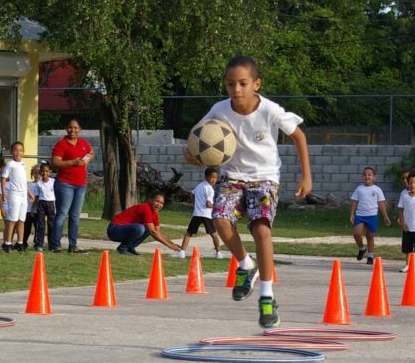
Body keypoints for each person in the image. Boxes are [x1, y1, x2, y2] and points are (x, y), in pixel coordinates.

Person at [185, 55, 311, 328]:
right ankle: (245, 264)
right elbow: (197, 137)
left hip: (264, 178)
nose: (237, 90)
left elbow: (298, 136)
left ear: (256, 84)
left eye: (243, 83)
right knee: (219, 220)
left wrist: (306, 176)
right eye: (231, 84)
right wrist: (194, 156)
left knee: (261, 229)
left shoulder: (269, 110)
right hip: (232, 176)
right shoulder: (219, 110)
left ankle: (267, 297)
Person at [49, 119, 93, 253]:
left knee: (75, 216)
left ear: (80, 130)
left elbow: (91, 153)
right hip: (65, 184)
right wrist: (73, 162)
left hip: (80, 185)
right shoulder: (61, 144)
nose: (72, 130)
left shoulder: (84, 143)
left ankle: (73, 246)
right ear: (66, 129)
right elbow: (55, 163)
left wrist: (86, 162)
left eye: (75, 128)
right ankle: (55, 245)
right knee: (62, 214)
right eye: (70, 127)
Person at [108, 192, 183, 256]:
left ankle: (129, 248)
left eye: (161, 203)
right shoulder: (146, 208)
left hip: (123, 230)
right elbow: (153, 232)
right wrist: (169, 246)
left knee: (147, 228)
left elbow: (158, 232)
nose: (159, 204)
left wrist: (172, 244)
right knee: (141, 228)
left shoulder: (155, 213)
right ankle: (122, 248)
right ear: (150, 200)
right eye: (157, 201)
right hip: (114, 230)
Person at [349, 166, 390, 265]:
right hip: (360, 215)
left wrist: (385, 216)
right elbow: (355, 201)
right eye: (365, 175)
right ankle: (362, 248)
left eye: (369, 175)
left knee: (370, 236)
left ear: (374, 177)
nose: (367, 177)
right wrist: (352, 213)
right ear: (362, 177)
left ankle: (370, 256)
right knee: (356, 233)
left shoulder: (377, 189)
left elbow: (381, 203)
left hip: (372, 216)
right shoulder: (359, 189)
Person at [180, 167, 223, 260]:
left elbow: (191, 194)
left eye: (216, 178)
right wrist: (216, 207)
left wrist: (195, 204)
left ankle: (182, 252)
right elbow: (208, 204)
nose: (214, 180)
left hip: (197, 214)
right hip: (206, 214)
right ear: (206, 177)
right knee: (214, 234)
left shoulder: (199, 185)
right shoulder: (210, 189)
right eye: (212, 177)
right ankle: (218, 253)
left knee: (189, 233)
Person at [1, 142, 29, 252]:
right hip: (14, 194)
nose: (18, 153)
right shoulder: (10, 164)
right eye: (16, 150)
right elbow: (3, 178)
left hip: (23, 195)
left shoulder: (23, 164)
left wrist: (29, 192)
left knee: (21, 220)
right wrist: (4, 193)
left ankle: (20, 242)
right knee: (12, 219)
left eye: (20, 150)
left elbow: (23, 181)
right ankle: (7, 243)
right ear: (12, 152)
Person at [32, 162, 56, 250]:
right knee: (41, 225)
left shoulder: (53, 182)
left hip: (51, 204)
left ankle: (52, 245)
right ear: (40, 172)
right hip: (41, 204)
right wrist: (32, 209)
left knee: (51, 225)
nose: (45, 173)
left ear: (49, 172)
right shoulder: (38, 184)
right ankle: (39, 244)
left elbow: (56, 195)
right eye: (43, 171)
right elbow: (36, 197)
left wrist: (56, 206)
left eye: (46, 171)